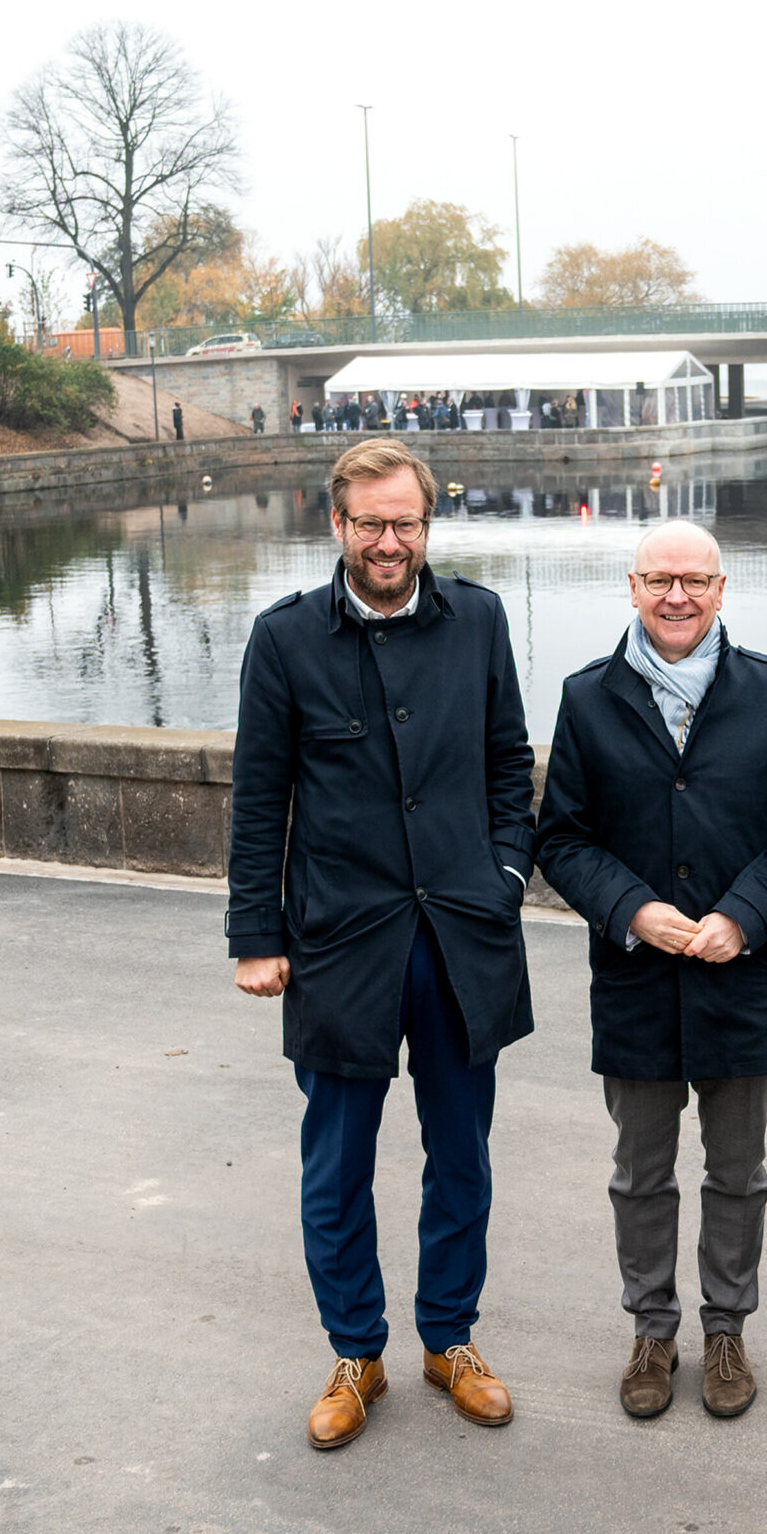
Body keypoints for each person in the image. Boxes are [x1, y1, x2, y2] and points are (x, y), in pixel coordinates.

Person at [227, 437, 537, 1452]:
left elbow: (507, 764)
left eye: (405, 521)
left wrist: (501, 876)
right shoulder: (283, 640)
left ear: (426, 523)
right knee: (336, 1167)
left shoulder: (479, 619)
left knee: (461, 1157)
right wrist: (255, 933)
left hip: (460, 936)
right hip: (340, 943)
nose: (389, 539)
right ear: (337, 525)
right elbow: (258, 800)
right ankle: (356, 1350)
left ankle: (449, 1339)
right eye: (370, 522)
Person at [534, 520, 767, 1422]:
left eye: (694, 581)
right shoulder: (587, 698)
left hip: (743, 977)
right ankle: (653, 1329)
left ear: (721, 589)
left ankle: (726, 1328)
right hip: (636, 978)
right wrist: (633, 910)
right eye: (660, 579)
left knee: (738, 1171)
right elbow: (561, 836)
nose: (677, 596)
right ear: (632, 587)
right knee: (640, 1171)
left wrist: (743, 917)